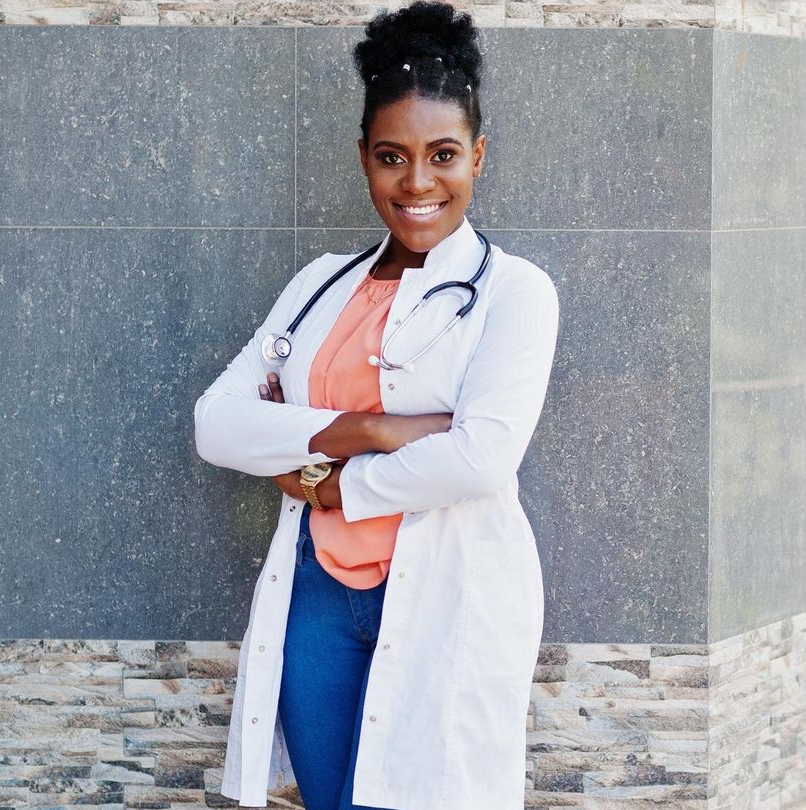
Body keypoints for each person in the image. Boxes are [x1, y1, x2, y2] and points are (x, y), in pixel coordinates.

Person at [193, 2, 561, 807]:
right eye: (393, 157)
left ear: (478, 156)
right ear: (364, 158)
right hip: (318, 600)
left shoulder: (514, 293)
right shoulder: (318, 286)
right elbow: (216, 424)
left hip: (444, 595)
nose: (418, 183)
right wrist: (372, 429)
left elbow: (480, 458)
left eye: (443, 155)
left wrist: (333, 483)